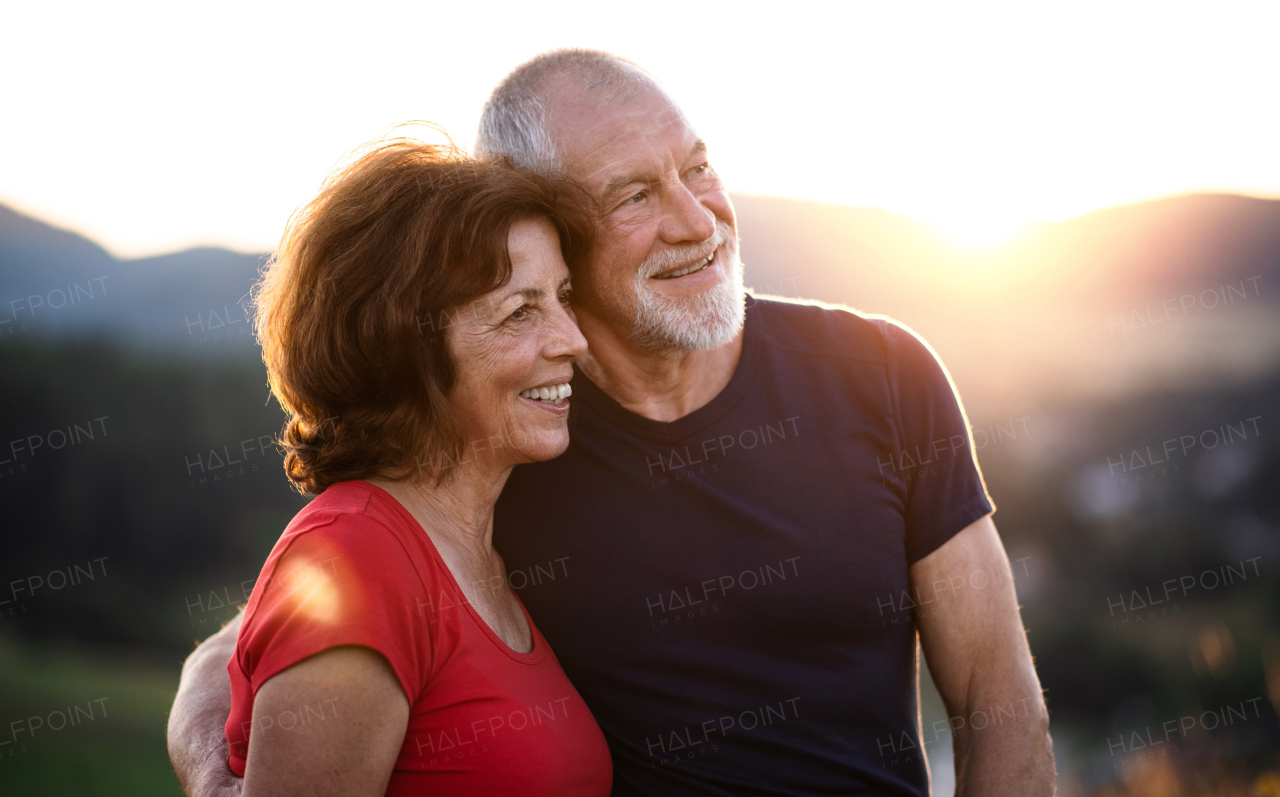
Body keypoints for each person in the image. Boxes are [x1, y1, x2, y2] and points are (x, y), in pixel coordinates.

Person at [170, 51, 1056, 796]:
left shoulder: (881, 375)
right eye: (634, 195)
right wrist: (220, 767)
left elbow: (997, 693)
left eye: (698, 167)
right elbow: (287, 620)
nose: (694, 218)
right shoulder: (515, 424)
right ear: (554, 232)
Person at [186, 134, 614, 796]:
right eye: (520, 311)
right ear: (404, 345)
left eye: (562, 296)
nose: (572, 339)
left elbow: (239, 643)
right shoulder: (358, 554)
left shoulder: (480, 543)